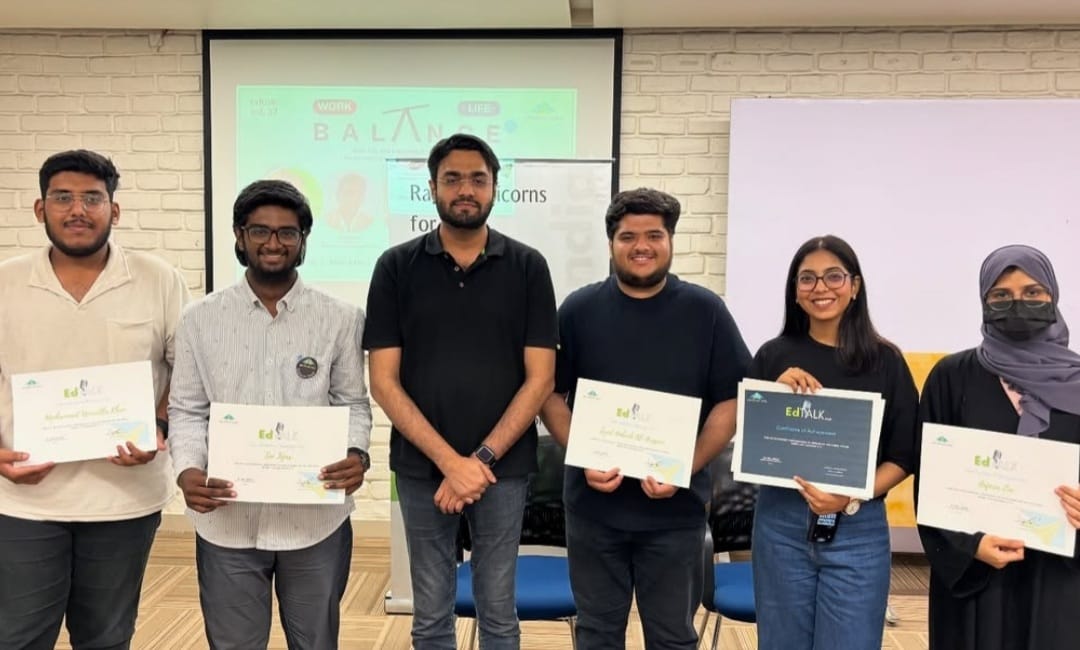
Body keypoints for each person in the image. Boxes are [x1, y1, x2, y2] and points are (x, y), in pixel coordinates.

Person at [363, 133, 557, 650]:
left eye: (477, 178)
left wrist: (482, 458)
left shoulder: (528, 267)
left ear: (495, 187)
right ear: (431, 188)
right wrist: (452, 462)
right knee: (429, 616)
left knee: (498, 613)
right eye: (452, 178)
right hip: (421, 468)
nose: (465, 189)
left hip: (505, 470)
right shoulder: (395, 267)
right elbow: (383, 380)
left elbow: (541, 378)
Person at [539, 187, 750, 649]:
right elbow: (548, 395)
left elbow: (731, 402)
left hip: (675, 514)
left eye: (654, 234)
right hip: (594, 512)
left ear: (670, 240)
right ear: (611, 243)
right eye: (627, 236)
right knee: (596, 635)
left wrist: (687, 465)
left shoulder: (706, 311)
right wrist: (581, 453)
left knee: (673, 638)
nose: (641, 246)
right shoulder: (578, 310)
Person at [168, 180, 372, 650]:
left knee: (316, 642)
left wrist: (356, 453)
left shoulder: (340, 318)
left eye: (287, 232)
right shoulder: (199, 318)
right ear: (239, 236)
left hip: (315, 520)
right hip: (226, 518)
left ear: (303, 241)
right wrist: (187, 470)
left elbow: (352, 403)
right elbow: (186, 410)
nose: (273, 243)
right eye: (260, 231)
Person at [0, 149, 190, 649]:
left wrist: (160, 428)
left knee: (105, 637)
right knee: (18, 636)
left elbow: (187, 374)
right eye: (62, 198)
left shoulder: (159, 279)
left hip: (124, 498)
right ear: (40, 209)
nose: (77, 210)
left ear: (115, 210)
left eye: (92, 198)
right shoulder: (5, 282)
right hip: (23, 498)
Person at [746, 235, 918, 650]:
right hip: (780, 525)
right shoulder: (772, 356)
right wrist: (769, 393)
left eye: (833, 276)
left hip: (857, 527)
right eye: (807, 279)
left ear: (855, 286)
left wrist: (850, 496)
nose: (820, 288)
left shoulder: (886, 361)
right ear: (795, 290)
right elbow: (749, 439)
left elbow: (905, 452)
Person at [916, 244, 1080, 650]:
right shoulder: (951, 377)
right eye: (1000, 296)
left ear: (1053, 297)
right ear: (983, 301)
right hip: (978, 578)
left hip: (1060, 579)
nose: (1017, 304)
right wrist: (970, 546)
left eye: (1033, 293)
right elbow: (930, 482)